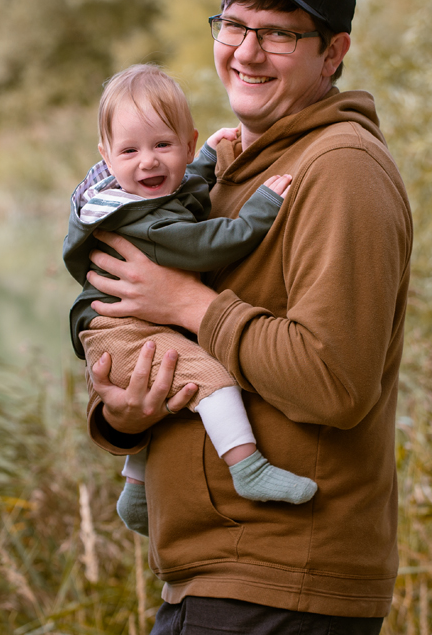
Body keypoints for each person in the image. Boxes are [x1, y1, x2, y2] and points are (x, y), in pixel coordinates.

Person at [84, 0, 412, 633]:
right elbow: (174, 344)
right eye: (233, 23)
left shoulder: (339, 168)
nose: (246, 50)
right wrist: (125, 411)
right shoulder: (228, 167)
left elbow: (334, 381)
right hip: (220, 576)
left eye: (279, 33)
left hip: (281, 579)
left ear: (334, 52)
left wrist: (189, 303)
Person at [63, 64, 316, 536]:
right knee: (212, 378)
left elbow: (178, 189)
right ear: (105, 155)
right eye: (130, 151)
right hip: (120, 331)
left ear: (186, 140)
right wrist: (259, 211)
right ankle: (248, 469)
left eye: (164, 145)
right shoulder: (138, 221)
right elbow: (204, 242)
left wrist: (205, 158)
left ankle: (136, 493)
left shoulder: (142, 193)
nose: (148, 163)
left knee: (167, 386)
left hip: (126, 329)